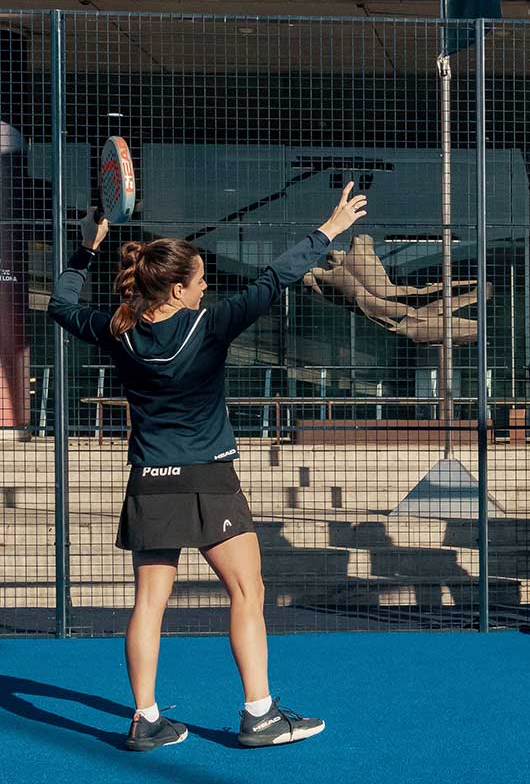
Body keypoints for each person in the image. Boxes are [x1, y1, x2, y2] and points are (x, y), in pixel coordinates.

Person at [47, 184, 366, 751]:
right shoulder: (211, 325)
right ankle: (260, 715)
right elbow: (275, 280)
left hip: (150, 479)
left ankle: (144, 720)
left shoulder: (118, 331)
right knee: (248, 592)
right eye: (198, 280)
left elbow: (61, 305)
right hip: (208, 478)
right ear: (177, 287)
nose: (205, 286)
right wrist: (330, 229)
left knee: (149, 603)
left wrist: (86, 247)